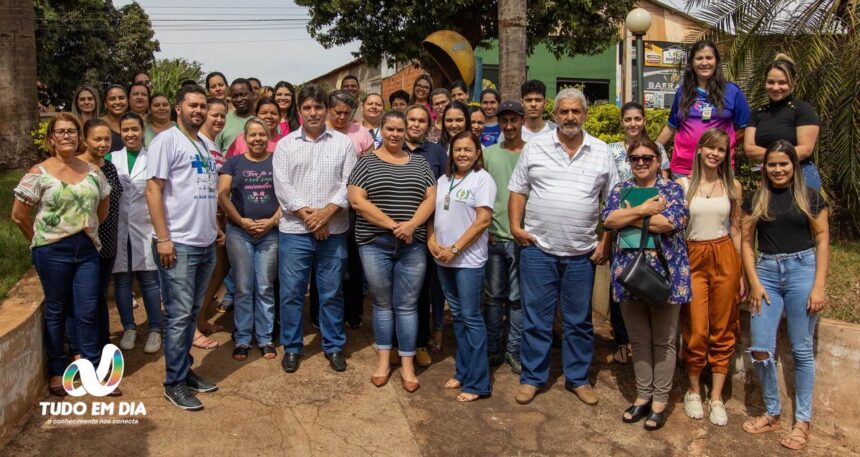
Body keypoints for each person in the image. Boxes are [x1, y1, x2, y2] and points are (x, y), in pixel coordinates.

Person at [509, 88, 618, 406]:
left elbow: (610, 202)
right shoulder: (535, 147)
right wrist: (516, 228)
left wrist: (605, 240)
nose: (570, 117)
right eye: (564, 111)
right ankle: (532, 378)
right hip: (538, 250)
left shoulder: (601, 151)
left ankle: (578, 378)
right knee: (537, 319)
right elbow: (518, 190)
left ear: (585, 114)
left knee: (579, 321)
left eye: (576, 111)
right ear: (554, 115)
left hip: (582, 253)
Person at [12, 113, 111, 397]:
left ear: (79, 137)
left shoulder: (92, 171)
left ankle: (92, 371)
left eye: (72, 131)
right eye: (61, 132)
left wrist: (84, 227)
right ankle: (57, 370)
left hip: (87, 248)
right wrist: (41, 242)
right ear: (52, 138)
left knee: (88, 309)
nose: (67, 136)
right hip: (51, 251)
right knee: (56, 310)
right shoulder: (39, 172)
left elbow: (102, 209)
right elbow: (19, 216)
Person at [740, 140, 829, 451]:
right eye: (772, 164)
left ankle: (802, 421)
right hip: (766, 274)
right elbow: (747, 243)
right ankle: (772, 412)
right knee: (761, 348)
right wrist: (753, 281)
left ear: (794, 165)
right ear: (764, 167)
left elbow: (822, 240)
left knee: (802, 351)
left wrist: (819, 285)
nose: (778, 169)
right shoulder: (756, 199)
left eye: (783, 164)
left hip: (802, 270)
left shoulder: (810, 197)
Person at [602, 136, 691, 431]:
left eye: (647, 158)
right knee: (638, 339)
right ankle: (642, 396)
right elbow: (608, 221)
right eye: (635, 158)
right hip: (629, 274)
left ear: (658, 160)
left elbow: (670, 224)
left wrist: (626, 217)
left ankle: (660, 400)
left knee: (663, 341)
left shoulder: (671, 189)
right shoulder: (619, 190)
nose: (640, 162)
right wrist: (644, 211)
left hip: (665, 275)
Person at [145, 85, 223, 411]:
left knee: (191, 313)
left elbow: (204, 190)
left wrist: (214, 228)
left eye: (203, 106)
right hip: (177, 243)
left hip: (204, 242)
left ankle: (185, 370)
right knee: (178, 316)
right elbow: (153, 190)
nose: (199, 111)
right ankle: (173, 383)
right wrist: (163, 238)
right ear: (179, 108)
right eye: (193, 105)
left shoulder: (205, 143)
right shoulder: (166, 140)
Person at [348, 110, 437, 392]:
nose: (396, 134)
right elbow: (357, 201)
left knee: (408, 305)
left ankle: (407, 364)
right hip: (375, 244)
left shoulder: (420, 163)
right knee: (382, 304)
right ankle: (384, 360)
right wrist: (393, 225)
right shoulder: (366, 162)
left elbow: (431, 198)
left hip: (412, 245)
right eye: (390, 129)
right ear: (382, 131)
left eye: (400, 129)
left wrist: (411, 225)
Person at [273, 84, 357, 374]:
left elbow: (350, 184)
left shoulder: (343, 143)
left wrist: (326, 214)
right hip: (295, 232)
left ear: (327, 111)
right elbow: (282, 186)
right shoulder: (285, 145)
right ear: (299, 111)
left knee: (331, 292)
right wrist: (311, 218)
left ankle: (333, 346)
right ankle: (293, 347)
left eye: (318, 107)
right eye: (307, 108)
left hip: (333, 233)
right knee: (292, 292)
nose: (313, 113)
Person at [675, 127, 744, 426]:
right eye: (711, 148)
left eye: (721, 150)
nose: (715, 154)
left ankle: (716, 396)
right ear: (700, 150)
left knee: (722, 326)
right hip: (694, 256)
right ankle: (693, 390)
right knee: (696, 328)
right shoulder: (683, 185)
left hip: (725, 255)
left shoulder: (733, 187)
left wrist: (740, 271)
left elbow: (737, 229)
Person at [428, 130, 496, 402]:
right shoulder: (443, 180)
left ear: (477, 153)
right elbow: (433, 213)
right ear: (451, 153)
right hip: (442, 258)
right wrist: (432, 241)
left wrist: (455, 249)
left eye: (468, 149)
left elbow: (482, 221)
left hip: (467, 260)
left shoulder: (482, 180)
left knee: (471, 317)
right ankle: (463, 371)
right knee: (457, 316)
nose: (462, 154)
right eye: (458, 149)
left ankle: (478, 383)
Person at [605, 102, 672, 365]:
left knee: (650, 281)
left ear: (644, 121)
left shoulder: (657, 150)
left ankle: (650, 347)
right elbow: (610, 197)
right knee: (620, 283)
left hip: (652, 232)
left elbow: (664, 188)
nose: (633, 123)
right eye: (628, 119)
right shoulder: (611, 151)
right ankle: (623, 341)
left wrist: (637, 214)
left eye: (637, 119)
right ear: (622, 122)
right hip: (620, 231)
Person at [218, 118, 280, 362]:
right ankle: (242, 338)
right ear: (244, 137)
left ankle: (265, 338)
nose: (257, 139)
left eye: (261, 135)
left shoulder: (277, 161)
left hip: (270, 233)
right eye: (252, 135)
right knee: (243, 287)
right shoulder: (234, 162)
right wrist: (241, 220)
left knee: (265, 286)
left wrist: (273, 221)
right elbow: (222, 194)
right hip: (239, 232)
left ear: (268, 136)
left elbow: (288, 194)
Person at [66, 119, 123, 371]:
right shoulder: (76, 168)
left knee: (99, 296)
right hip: (85, 243)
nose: (102, 144)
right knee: (79, 300)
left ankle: (101, 344)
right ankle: (78, 350)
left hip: (108, 243)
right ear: (85, 140)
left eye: (107, 139)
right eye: (97, 139)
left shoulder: (109, 167)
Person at [656, 40, 751, 178]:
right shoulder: (683, 91)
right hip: (683, 168)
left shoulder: (732, 91)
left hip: (718, 166)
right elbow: (671, 127)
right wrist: (652, 151)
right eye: (699, 58)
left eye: (709, 58)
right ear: (692, 63)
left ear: (716, 61)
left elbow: (745, 127)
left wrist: (722, 145)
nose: (704, 63)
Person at [110, 112, 162, 354]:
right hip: (119, 228)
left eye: (135, 129)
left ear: (143, 131)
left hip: (145, 227)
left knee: (150, 280)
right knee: (122, 280)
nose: (130, 134)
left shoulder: (153, 158)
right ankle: (129, 327)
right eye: (125, 130)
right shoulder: (111, 158)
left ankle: (154, 329)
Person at [482, 100, 527, 374]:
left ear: (522, 121)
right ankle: (492, 350)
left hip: (522, 238)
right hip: (494, 237)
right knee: (494, 297)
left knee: (517, 299)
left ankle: (514, 350)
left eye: (514, 120)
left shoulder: (533, 153)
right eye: (504, 121)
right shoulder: (488, 154)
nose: (509, 126)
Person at [403, 104, 449, 367]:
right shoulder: (392, 149)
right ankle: (394, 344)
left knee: (419, 292)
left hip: (425, 232)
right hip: (393, 230)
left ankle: (418, 343)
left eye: (422, 120)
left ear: (428, 126)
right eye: (412, 119)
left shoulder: (436, 152)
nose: (416, 124)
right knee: (392, 294)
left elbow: (446, 190)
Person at [745, 54, 822, 190]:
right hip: (771, 177)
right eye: (771, 82)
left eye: (782, 82)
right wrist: (776, 164)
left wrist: (775, 161)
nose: (775, 87)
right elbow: (749, 148)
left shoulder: (803, 110)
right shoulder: (757, 113)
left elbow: (805, 149)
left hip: (802, 176)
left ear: (793, 83)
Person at [199, 97, 235, 327]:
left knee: (218, 271)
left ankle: (200, 317)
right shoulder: (198, 143)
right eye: (215, 115)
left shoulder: (214, 146)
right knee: (205, 273)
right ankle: (194, 322)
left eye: (223, 116)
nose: (220, 120)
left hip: (218, 219)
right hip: (202, 220)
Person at [326, 91, 374, 155]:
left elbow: (370, 162)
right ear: (329, 109)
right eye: (338, 112)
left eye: (347, 113)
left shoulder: (362, 133)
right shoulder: (319, 131)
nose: (342, 117)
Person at [217, 78, 257, 155]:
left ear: (252, 94)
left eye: (243, 95)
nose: (239, 99)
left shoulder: (265, 120)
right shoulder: (222, 120)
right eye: (235, 96)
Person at [100, 85, 129, 153]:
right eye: (112, 99)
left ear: (127, 101)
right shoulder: (97, 124)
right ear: (105, 104)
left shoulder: (135, 122)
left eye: (121, 98)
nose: (117, 102)